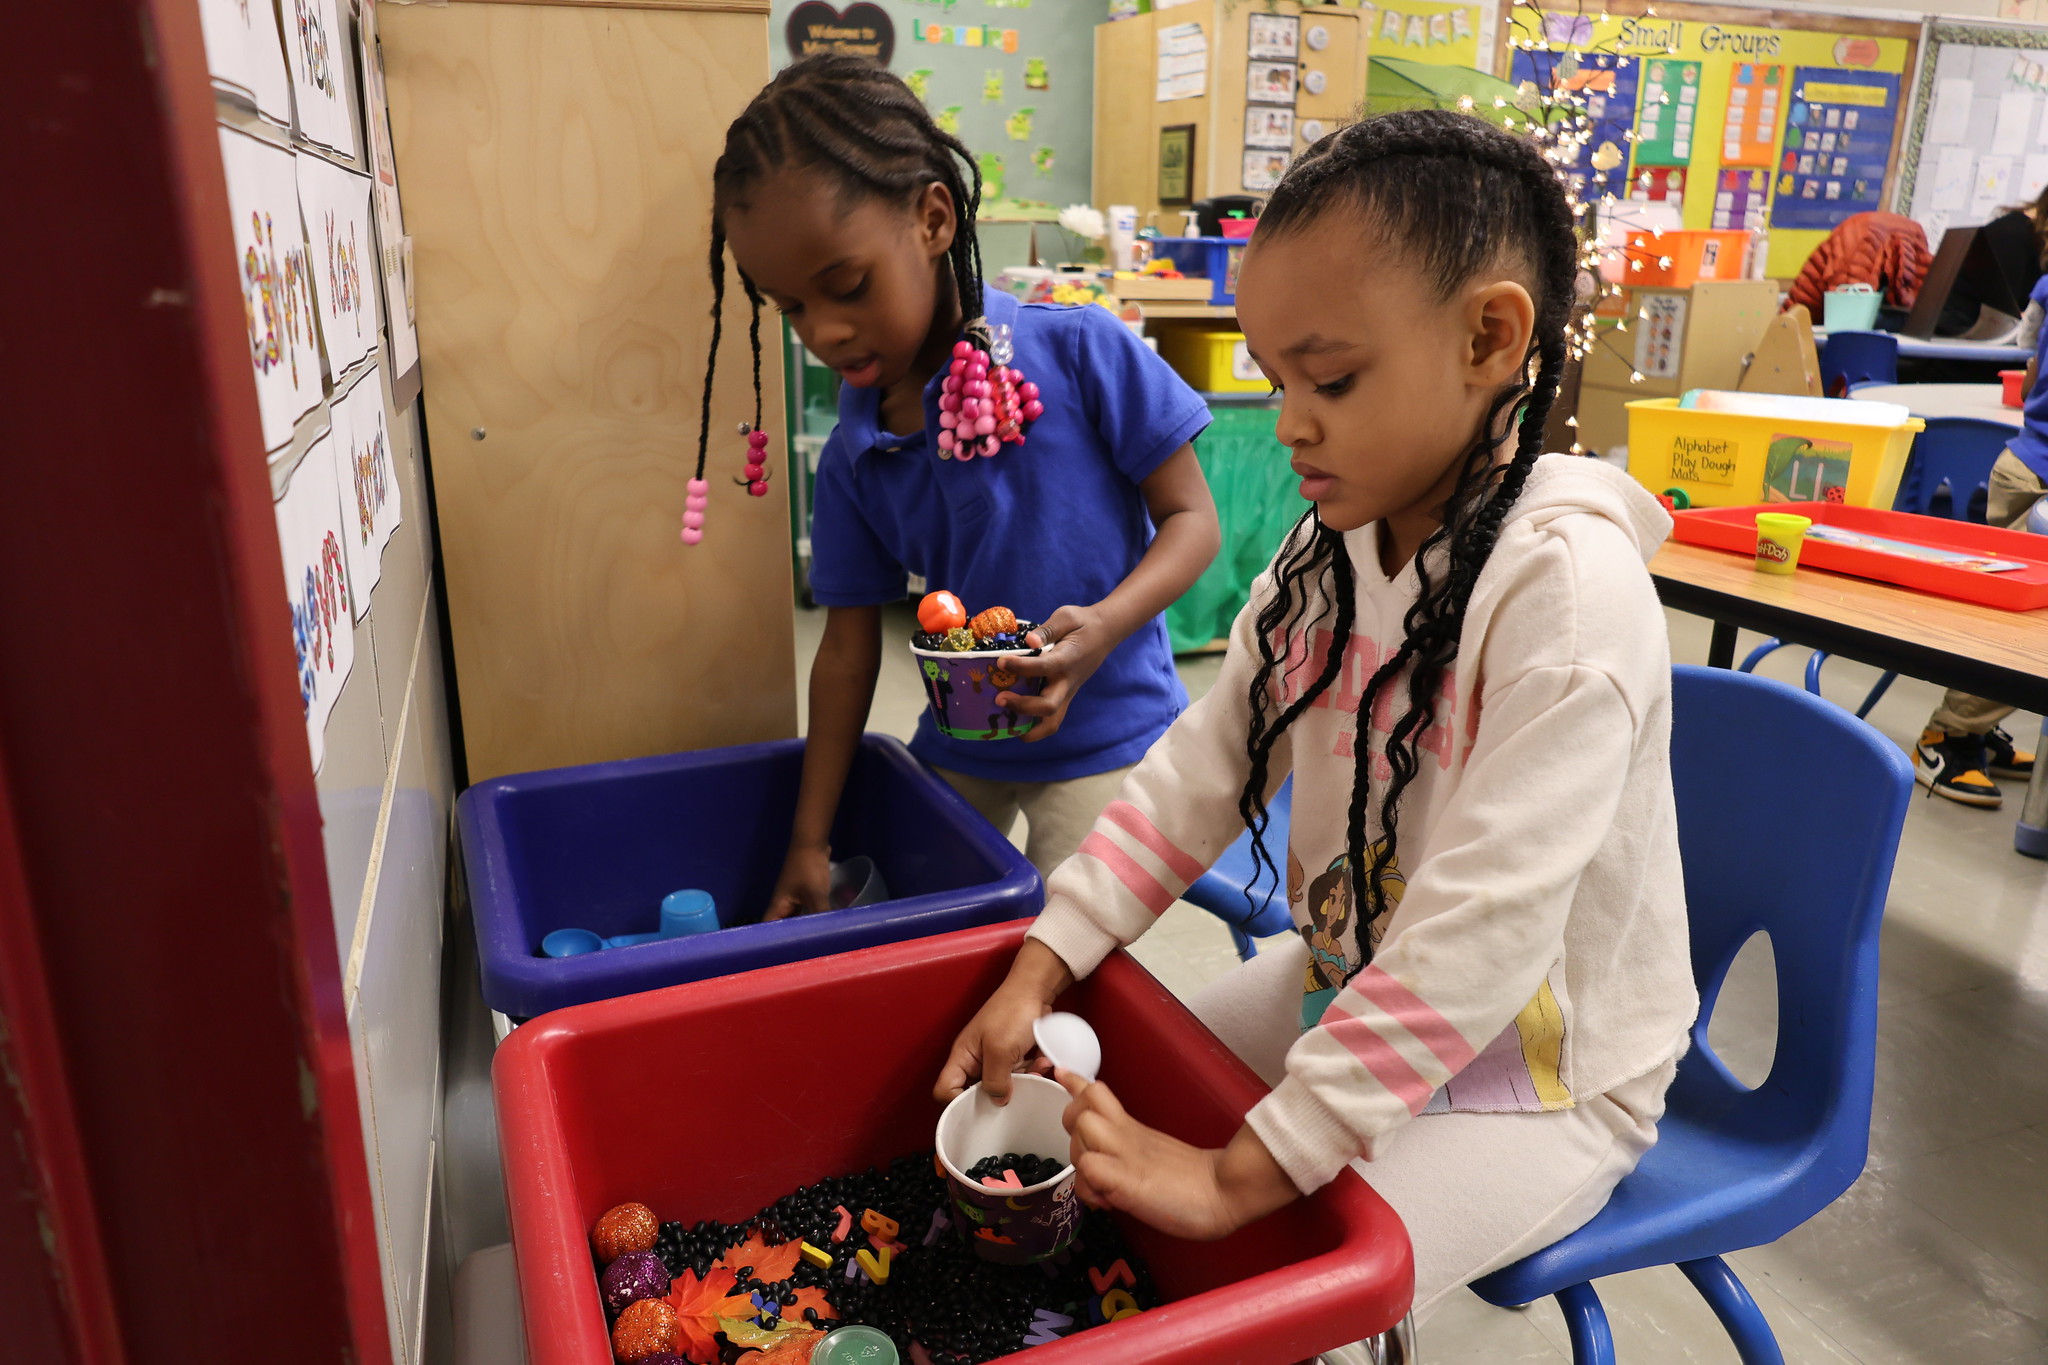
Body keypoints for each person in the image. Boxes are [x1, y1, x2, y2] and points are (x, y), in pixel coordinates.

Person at [935, 110, 1698, 1326]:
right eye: (1274, 376)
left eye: (1329, 379)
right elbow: (1197, 768)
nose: (1286, 420)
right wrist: (1044, 962)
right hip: (1354, 977)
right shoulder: (1323, 555)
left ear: (1487, 338)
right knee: (1113, 1092)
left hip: (1543, 1076)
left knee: (1270, 1275)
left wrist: (1243, 1173)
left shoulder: (1565, 598)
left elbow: (1479, 938)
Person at [695, 56, 1220, 914]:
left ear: (934, 218)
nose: (823, 331)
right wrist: (807, 839)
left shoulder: (1081, 349)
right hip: (961, 743)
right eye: (789, 307)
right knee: (908, 919)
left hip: (1110, 740)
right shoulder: (855, 456)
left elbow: (1193, 519)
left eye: (848, 285)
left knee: (1066, 963)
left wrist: (1101, 631)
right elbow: (846, 650)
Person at [1913, 274, 2047, 807]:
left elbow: (2029, 357)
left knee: (2021, 623)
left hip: (2024, 462)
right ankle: (1947, 734)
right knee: (2018, 628)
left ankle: (1979, 727)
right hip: (2037, 478)